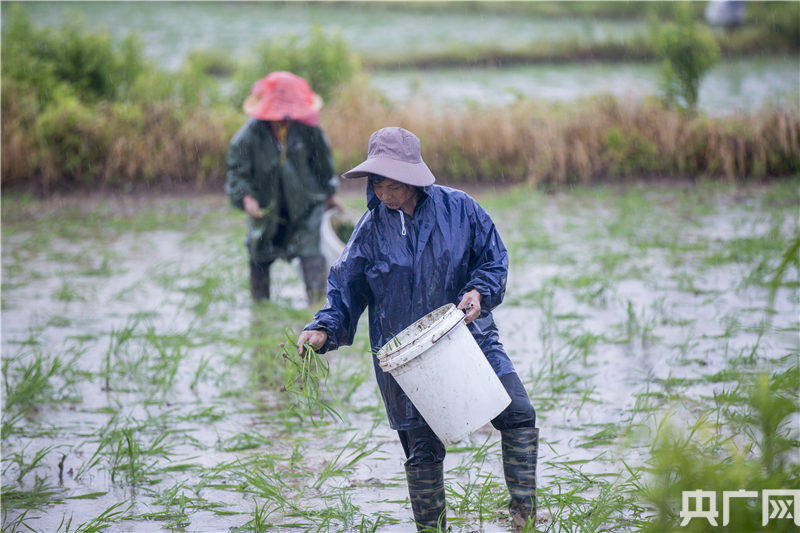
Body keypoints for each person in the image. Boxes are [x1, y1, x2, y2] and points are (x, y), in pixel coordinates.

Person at [298, 127, 539, 531]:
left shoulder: (460, 210)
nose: (382, 190)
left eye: (390, 181)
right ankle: (432, 528)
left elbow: (494, 259)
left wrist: (479, 292)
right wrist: (324, 329)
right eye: (376, 182)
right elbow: (345, 290)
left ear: (412, 177)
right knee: (424, 448)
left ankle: (524, 516)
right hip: (406, 359)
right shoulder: (370, 231)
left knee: (517, 413)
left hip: (469, 339)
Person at [225, 71, 343, 304]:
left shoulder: (309, 131)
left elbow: (323, 166)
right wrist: (247, 198)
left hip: (306, 204)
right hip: (267, 206)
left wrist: (330, 194)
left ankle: (317, 307)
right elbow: (237, 172)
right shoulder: (249, 136)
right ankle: (260, 305)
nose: (283, 119)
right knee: (258, 252)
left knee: (311, 251)